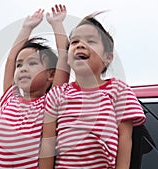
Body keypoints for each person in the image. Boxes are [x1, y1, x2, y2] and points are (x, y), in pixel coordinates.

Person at [40, 12, 146, 169]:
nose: (80, 45)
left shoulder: (118, 90)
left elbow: (125, 139)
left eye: (90, 41)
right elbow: (47, 144)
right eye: (74, 42)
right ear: (68, 58)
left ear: (108, 57)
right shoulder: (57, 95)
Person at [0, 5, 68, 169]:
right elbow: (11, 58)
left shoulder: (49, 103)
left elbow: (64, 59)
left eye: (32, 63)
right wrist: (27, 28)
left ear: (51, 75)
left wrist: (57, 24)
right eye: (20, 65)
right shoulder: (9, 100)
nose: (23, 68)